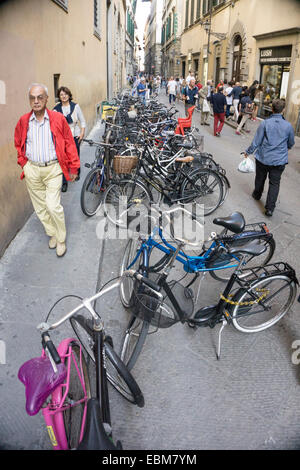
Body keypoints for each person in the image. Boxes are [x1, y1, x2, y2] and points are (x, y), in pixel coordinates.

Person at [14, 83, 80, 257]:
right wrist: (24, 163)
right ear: (29, 100)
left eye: (40, 97)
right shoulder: (23, 121)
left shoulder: (58, 119)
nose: (36, 101)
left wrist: (73, 167)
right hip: (32, 170)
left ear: (46, 99)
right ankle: (52, 233)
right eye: (32, 98)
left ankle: (61, 239)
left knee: (52, 206)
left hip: (53, 169)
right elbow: (18, 142)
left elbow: (69, 143)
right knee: (41, 208)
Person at [244, 99, 294, 216]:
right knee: (274, 183)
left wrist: (248, 152)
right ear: (283, 110)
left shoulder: (265, 123)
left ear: (272, 109)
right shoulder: (288, 126)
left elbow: (256, 141)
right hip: (279, 160)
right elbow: (291, 142)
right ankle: (270, 208)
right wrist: (286, 148)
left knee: (260, 178)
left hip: (263, 157)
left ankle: (257, 194)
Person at [53, 86, 86, 192]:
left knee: (75, 155)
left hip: (74, 135)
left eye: (65, 94)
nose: (64, 96)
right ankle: (64, 182)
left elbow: (83, 121)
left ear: (69, 95)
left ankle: (76, 173)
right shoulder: (56, 109)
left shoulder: (75, 106)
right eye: (61, 95)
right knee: (63, 159)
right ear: (59, 96)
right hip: (62, 138)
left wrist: (82, 133)